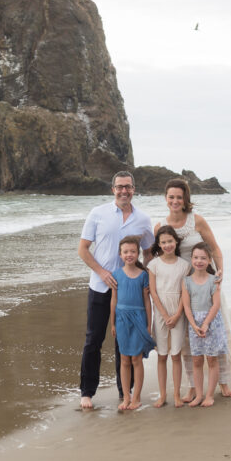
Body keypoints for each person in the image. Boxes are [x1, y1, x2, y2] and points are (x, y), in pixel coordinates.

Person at [153, 178, 231, 399]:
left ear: (185, 199)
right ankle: (193, 385)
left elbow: (215, 249)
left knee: (217, 331)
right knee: (186, 338)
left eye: (179, 197)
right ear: (165, 198)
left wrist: (220, 273)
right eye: (171, 197)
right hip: (182, 286)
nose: (175, 201)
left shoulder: (197, 221)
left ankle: (223, 381)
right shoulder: (160, 226)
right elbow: (157, 257)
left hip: (207, 282)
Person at [78, 171, 155, 409]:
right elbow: (83, 249)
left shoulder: (143, 219)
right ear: (113, 189)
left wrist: (145, 280)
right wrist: (102, 273)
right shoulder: (97, 213)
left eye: (128, 187)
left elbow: (148, 252)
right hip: (100, 287)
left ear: (134, 189)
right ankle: (87, 392)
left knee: (125, 343)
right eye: (120, 187)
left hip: (130, 293)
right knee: (94, 340)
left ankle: (125, 393)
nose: (124, 191)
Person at [146, 224, 191, 407]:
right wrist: (165, 315)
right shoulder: (153, 265)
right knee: (162, 355)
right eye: (163, 242)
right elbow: (153, 292)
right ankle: (163, 395)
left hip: (178, 312)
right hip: (161, 313)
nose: (167, 245)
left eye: (170, 241)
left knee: (176, 355)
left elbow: (184, 293)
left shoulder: (184, 266)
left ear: (176, 241)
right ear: (158, 244)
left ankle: (177, 395)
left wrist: (177, 314)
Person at [109, 235, 156, 410]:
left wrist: (149, 324)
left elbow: (147, 302)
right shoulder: (116, 275)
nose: (129, 254)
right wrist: (112, 323)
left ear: (138, 253)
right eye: (125, 252)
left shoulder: (143, 275)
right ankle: (126, 397)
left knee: (136, 358)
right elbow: (113, 300)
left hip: (139, 318)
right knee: (124, 359)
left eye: (133, 251)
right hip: (121, 319)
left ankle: (136, 397)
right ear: (120, 254)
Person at [181, 242, 227, 408]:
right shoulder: (186, 281)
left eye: (203, 258)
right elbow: (186, 306)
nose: (199, 261)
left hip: (211, 323)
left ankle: (209, 395)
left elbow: (216, 305)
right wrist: (194, 325)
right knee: (197, 360)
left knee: (212, 359)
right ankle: (199, 395)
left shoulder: (213, 280)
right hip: (194, 324)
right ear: (191, 259)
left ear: (209, 261)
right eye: (195, 257)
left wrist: (206, 323)